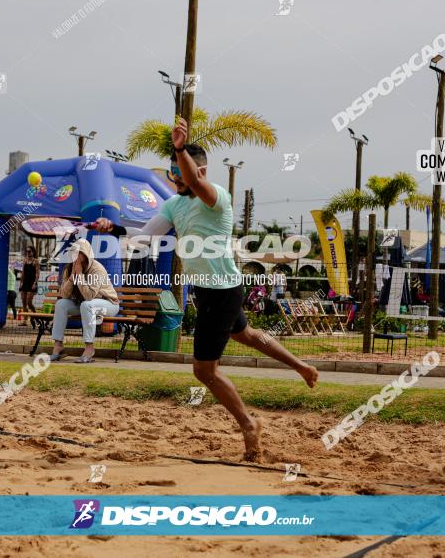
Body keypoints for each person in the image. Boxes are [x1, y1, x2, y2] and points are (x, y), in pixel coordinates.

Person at [92, 118, 319, 461]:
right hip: (209, 291)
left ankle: (248, 425)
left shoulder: (217, 198)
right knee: (246, 335)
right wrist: (113, 229)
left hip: (223, 291)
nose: (176, 177)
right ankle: (302, 367)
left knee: (203, 371)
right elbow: (146, 237)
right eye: (172, 172)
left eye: (181, 170)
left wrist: (181, 149)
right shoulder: (174, 204)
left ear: (200, 169)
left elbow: (197, 184)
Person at [49, 238, 119, 363]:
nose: (76, 255)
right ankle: (58, 345)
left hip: (108, 304)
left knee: (87, 305)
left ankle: (89, 348)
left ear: (86, 254)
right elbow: (64, 295)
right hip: (85, 305)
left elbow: (89, 296)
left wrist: (80, 275)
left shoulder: (97, 269)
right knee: (61, 304)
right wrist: (72, 278)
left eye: (79, 252)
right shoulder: (69, 268)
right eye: (74, 252)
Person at [19, 245, 40, 325]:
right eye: (26, 251)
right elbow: (23, 273)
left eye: (29, 251)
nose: (27, 253)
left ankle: (35, 315)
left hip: (32, 283)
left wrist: (35, 283)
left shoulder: (36, 261)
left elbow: (37, 273)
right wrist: (21, 283)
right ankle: (25, 320)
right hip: (25, 283)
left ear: (33, 252)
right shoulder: (24, 260)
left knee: (29, 302)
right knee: (24, 302)